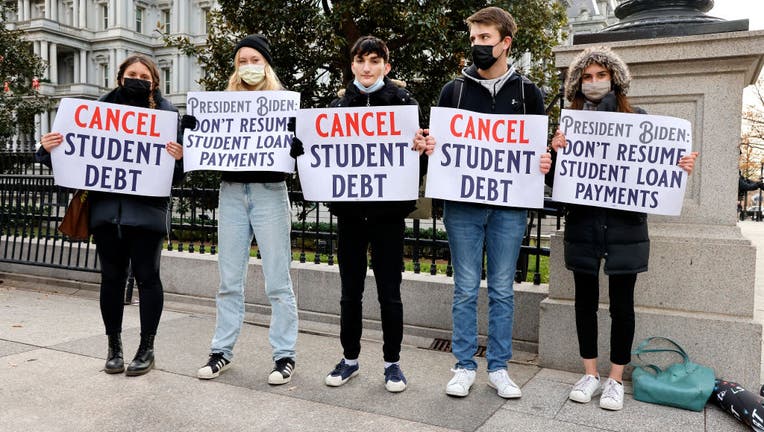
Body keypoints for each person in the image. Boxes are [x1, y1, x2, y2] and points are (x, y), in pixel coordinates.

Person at [549, 46, 699, 411]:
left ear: (615, 79)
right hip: (584, 225)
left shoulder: (640, 119)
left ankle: (615, 378)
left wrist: (679, 165)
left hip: (625, 228)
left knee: (622, 306)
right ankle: (589, 373)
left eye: (602, 75)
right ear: (578, 83)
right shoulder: (568, 124)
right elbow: (557, 184)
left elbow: (656, 170)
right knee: (584, 303)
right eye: (587, 76)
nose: (595, 82)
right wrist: (554, 155)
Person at [414, 6, 552, 399]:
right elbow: (439, 148)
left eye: (485, 39)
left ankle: (499, 367)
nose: (477, 45)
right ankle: (462, 365)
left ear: (505, 43)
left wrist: (545, 161)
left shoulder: (528, 94)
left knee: (503, 289)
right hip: (463, 207)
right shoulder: (452, 91)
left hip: (509, 208)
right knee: (465, 287)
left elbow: (536, 152)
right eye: (473, 38)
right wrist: (428, 146)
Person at [36, 54, 186, 376]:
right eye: (131, 73)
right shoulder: (93, 115)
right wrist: (46, 149)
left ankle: (146, 348)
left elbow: (176, 178)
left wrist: (178, 159)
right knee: (111, 280)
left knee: (148, 279)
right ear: (120, 78)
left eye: (144, 75)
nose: (137, 78)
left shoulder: (167, 117)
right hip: (107, 215)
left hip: (146, 216)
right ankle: (114, 347)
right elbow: (72, 162)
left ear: (154, 82)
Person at [317, 35, 422, 393]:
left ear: (386, 67)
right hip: (350, 216)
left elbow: (414, 163)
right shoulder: (336, 108)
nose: (367, 67)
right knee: (350, 292)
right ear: (352, 66)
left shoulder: (404, 104)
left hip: (388, 216)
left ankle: (393, 364)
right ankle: (349, 359)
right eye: (361, 60)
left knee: (389, 292)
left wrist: (421, 149)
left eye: (375, 61)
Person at [196, 34, 299, 386]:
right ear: (235, 68)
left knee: (278, 281)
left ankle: (284, 356)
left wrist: (297, 143)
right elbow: (205, 146)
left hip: (270, 193)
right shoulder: (222, 105)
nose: (249, 67)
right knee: (228, 280)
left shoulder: (285, 105)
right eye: (243, 61)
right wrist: (194, 135)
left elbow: (302, 153)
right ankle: (221, 351)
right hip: (232, 193)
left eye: (256, 60)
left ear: (266, 65)